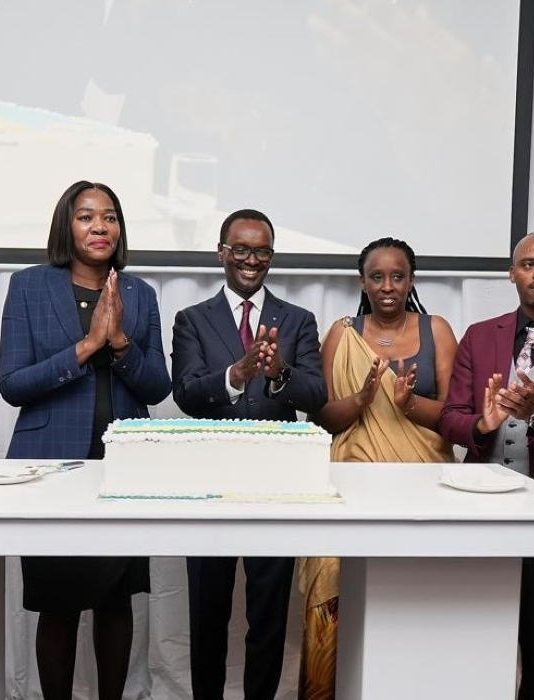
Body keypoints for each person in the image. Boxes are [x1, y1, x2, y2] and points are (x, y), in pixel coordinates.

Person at [0, 181, 172, 700]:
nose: (100, 227)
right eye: (86, 217)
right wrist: (87, 345)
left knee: (117, 601)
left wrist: (118, 344)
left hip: (122, 469)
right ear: (66, 226)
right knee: (58, 603)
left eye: (111, 217)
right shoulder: (28, 286)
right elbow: (12, 384)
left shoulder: (140, 294)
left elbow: (158, 385)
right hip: (51, 467)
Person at [170, 209, 327, 700]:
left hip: (276, 485)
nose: (251, 260)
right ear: (222, 252)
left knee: (269, 613)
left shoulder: (298, 320)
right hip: (209, 483)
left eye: (261, 251)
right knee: (208, 613)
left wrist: (279, 372)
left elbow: (318, 394)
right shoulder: (191, 319)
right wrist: (235, 376)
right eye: (241, 249)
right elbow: (187, 394)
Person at [300, 237, 457, 699]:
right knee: (333, 581)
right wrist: (363, 398)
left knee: (410, 600)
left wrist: (408, 406)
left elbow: (454, 418)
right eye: (377, 277)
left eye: (398, 276)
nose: (388, 286)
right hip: (350, 484)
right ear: (362, 283)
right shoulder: (341, 333)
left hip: (422, 485)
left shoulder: (438, 330)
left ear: (411, 281)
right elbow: (325, 419)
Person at [438, 231, 534, 700]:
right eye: (528, 264)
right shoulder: (481, 335)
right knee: (475, 632)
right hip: (480, 510)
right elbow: (450, 419)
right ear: (512, 273)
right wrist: (481, 427)